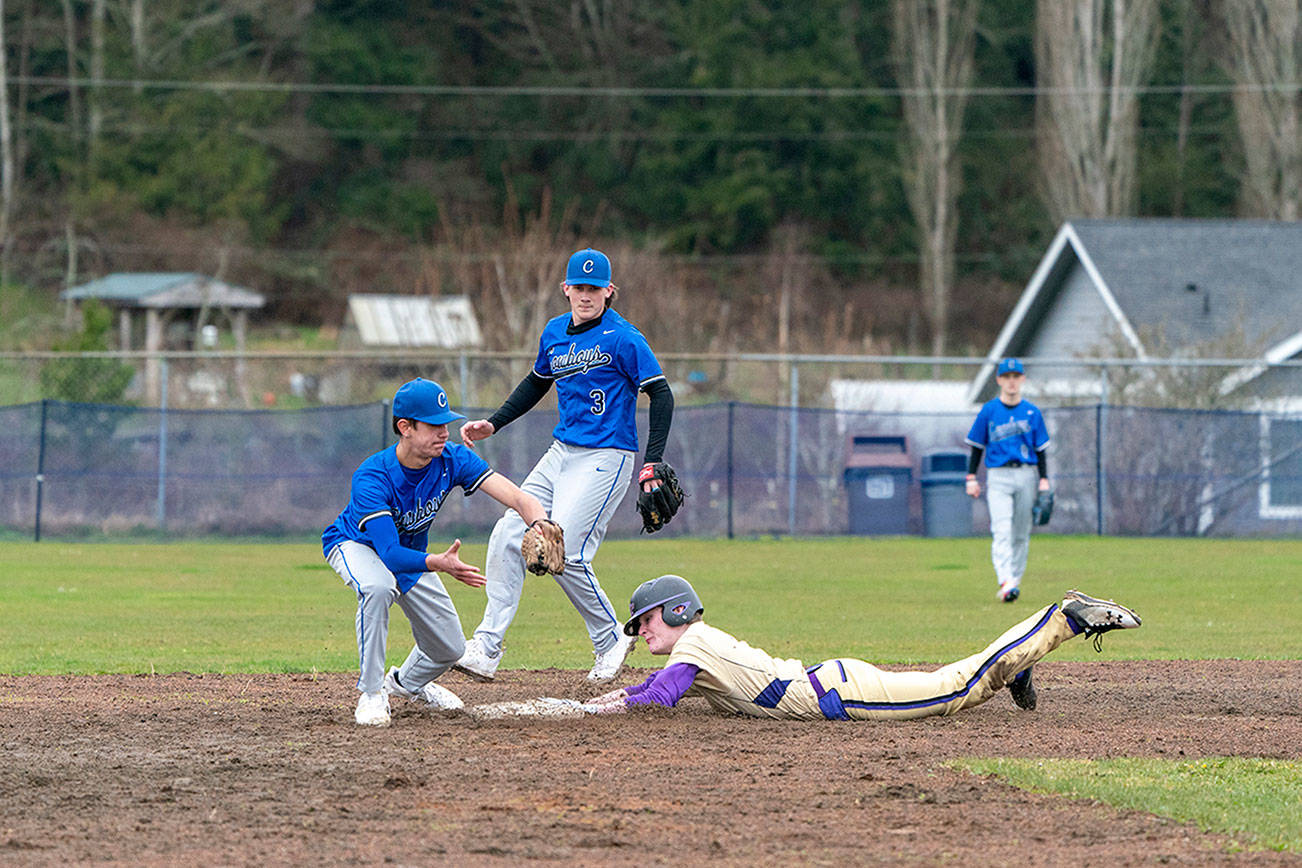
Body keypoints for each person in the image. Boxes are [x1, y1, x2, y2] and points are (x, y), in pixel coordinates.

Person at [454, 247, 675, 684]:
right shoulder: (555, 333)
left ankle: (610, 636)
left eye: (595, 288)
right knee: (507, 534)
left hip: (607, 456)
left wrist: (652, 462)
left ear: (609, 291)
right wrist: (493, 423)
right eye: (579, 287)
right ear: (565, 289)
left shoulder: (624, 338)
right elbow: (537, 382)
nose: (586, 295)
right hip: (561, 454)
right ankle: (486, 648)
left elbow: (661, 394)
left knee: (566, 552)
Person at [581, 575, 1141, 719]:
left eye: (645, 620)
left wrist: (617, 704)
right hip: (834, 683)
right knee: (961, 684)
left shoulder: (693, 646)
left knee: (958, 689)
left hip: (843, 695)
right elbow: (656, 687)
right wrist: (620, 694)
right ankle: (1020, 660)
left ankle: (1063, 620)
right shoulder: (693, 648)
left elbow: (660, 698)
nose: (640, 631)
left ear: (676, 610)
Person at [323, 377, 552, 727]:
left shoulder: (452, 459)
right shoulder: (373, 476)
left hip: (412, 554)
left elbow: (518, 497)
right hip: (357, 546)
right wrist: (439, 564)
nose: (444, 432)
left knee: (450, 648)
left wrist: (541, 523)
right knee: (378, 587)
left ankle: (406, 684)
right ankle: (371, 693)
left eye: (446, 422)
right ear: (405, 427)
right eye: (433, 424)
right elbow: (387, 553)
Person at [964, 357, 1052, 603]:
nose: (1012, 382)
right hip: (998, 476)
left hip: (1026, 474)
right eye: (1007, 377)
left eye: (1016, 377)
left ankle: (1014, 581)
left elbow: (1041, 449)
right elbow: (977, 446)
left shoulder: (1032, 412)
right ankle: (1006, 581)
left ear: (1022, 380)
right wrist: (971, 477)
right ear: (999, 380)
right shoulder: (989, 410)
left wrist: (1044, 478)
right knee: (1002, 529)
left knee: (1021, 532)